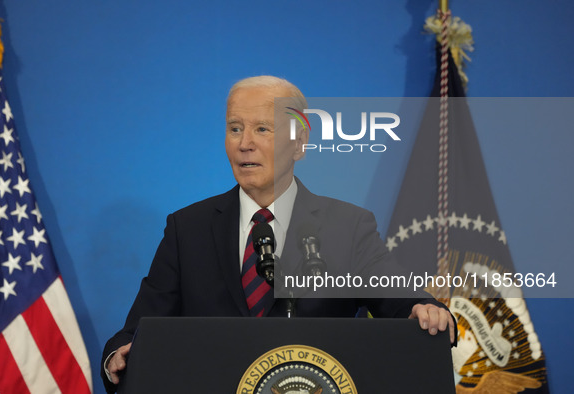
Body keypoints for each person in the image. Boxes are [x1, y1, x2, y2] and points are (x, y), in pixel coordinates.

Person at [101, 76, 456, 393]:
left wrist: (424, 309)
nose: (245, 144)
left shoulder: (347, 225)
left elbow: (399, 298)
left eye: (263, 129)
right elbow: (135, 333)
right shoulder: (187, 228)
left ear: (300, 143)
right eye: (235, 128)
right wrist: (118, 355)